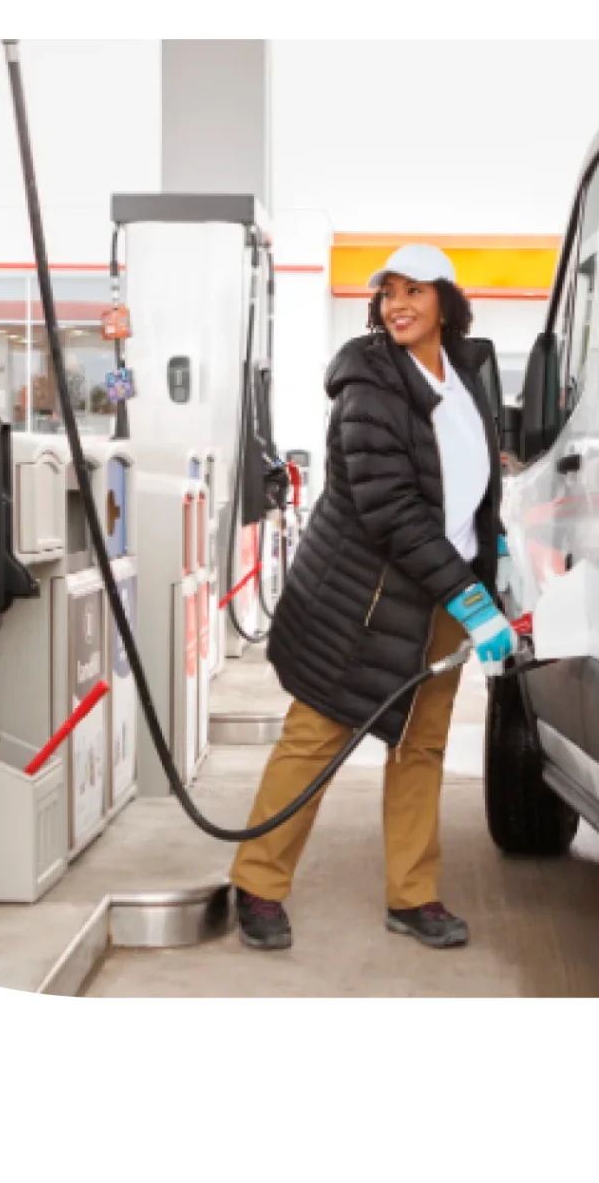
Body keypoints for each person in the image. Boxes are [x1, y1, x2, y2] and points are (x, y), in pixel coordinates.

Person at [230, 242, 516, 951]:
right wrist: (472, 598)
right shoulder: (368, 385)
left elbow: (474, 482)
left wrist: (493, 558)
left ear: (446, 302)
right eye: (390, 291)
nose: (400, 304)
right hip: (365, 595)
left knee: (422, 746)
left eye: (416, 291)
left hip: (448, 592)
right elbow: (391, 511)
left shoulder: (469, 373)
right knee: (317, 736)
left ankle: (413, 896)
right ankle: (259, 884)